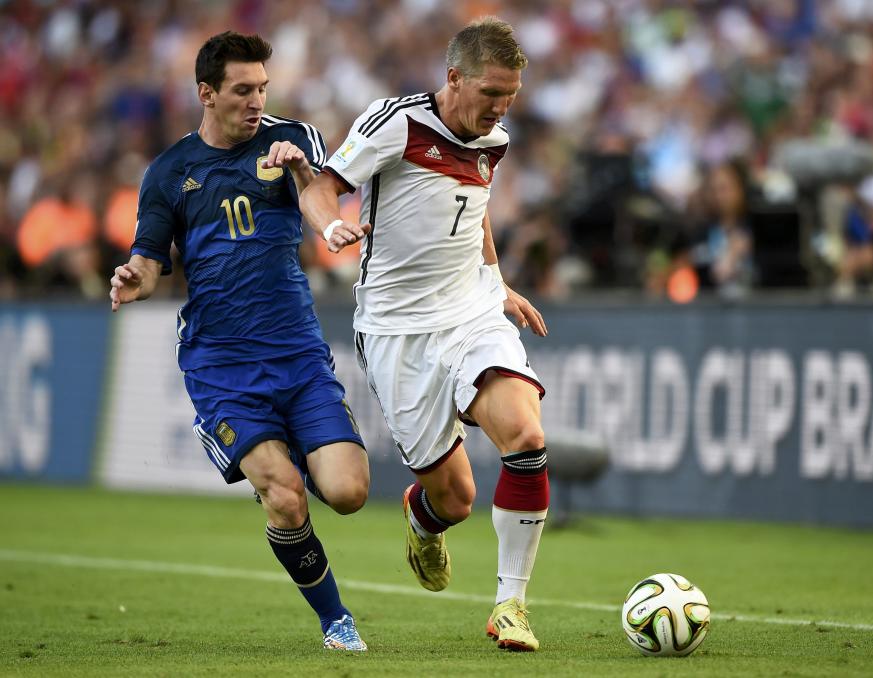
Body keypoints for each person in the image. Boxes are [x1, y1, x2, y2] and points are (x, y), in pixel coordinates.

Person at [108, 31, 369, 652]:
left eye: (263, 89)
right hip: (221, 361)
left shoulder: (292, 140)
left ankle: (295, 458)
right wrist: (131, 279)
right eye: (243, 90)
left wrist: (326, 216)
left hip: (296, 350)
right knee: (284, 495)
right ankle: (336, 620)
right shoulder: (170, 173)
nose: (257, 101)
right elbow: (148, 262)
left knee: (349, 493)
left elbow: (313, 193)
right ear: (207, 93)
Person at [300, 16, 550, 652]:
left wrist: (497, 286)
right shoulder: (398, 123)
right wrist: (331, 228)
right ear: (453, 78)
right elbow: (322, 188)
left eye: (511, 97)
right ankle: (422, 516)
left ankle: (511, 605)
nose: (499, 109)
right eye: (490, 93)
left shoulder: (494, 140)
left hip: (470, 313)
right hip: (396, 330)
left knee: (524, 434)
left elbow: (477, 209)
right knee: (456, 497)